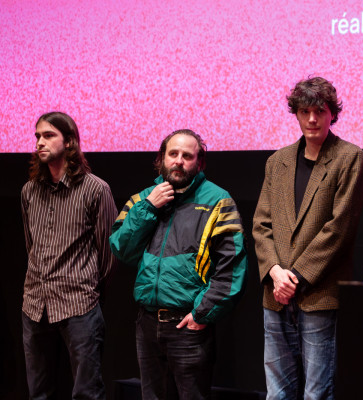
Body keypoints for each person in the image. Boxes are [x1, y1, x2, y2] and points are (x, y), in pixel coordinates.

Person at [109, 129, 248, 400]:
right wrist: (149, 207)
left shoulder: (218, 201)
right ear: (162, 158)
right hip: (147, 324)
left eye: (187, 156)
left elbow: (231, 269)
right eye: (173, 154)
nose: (179, 161)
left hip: (188, 327)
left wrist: (202, 314)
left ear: (200, 162)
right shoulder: (143, 199)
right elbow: (122, 249)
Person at [253, 76, 363, 399]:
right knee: (277, 393)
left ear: (332, 114)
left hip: (318, 294)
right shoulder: (277, 161)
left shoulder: (349, 157)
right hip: (276, 294)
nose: (312, 119)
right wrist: (275, 273)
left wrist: (296, 278)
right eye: (305, 111)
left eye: (320, 111)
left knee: (317, 394)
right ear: (297, 114)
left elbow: (339, 228)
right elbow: (261, 224)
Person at [21, 111, 117, 399]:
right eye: (37, 136)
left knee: (87, 392)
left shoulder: (95, 189)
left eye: (48, 135)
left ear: (69, 141)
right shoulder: (29, 191)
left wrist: (90, 292)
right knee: (39, 392)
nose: (40, 142)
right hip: (35, 305)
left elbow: (108, 252)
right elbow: (30, 245)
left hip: (78, 305)